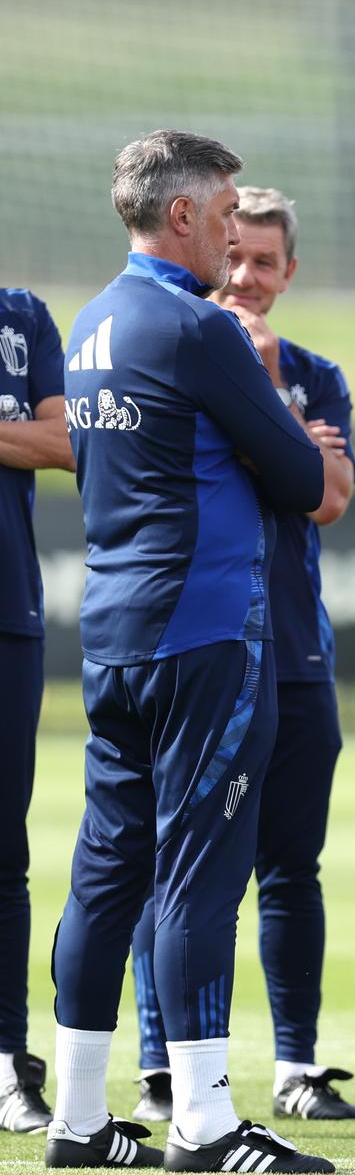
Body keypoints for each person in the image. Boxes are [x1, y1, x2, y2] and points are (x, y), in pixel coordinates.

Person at [46, 129, 331, 1172]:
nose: (229, 237)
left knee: (104, 874)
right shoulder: (198, 326)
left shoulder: (90, 322)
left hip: (114, 629)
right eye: (220, 217)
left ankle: (78, 1122)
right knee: (199, 879)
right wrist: (266, 451)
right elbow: (302, 477)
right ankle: (203, 1123)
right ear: (180, 215)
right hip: (206, 630)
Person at [126, 187, 355, 1126]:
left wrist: (271, 397)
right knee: (175, 863)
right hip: (199, 643)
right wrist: (289, 441)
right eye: (235, 256)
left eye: (266, 262)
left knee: (293, 869)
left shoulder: (315, 373)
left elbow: (329, 498)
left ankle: (296, 1066)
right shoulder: (171, 357)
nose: (246, 277)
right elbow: (292, 473)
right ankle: (162, 1068)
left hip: (295, 653)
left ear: (289, 271)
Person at [0, 288, 71, 1136]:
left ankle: (6, 1062)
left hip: (8, 612)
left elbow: (67, 442)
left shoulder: (22, 317)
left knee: (3, 853)